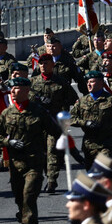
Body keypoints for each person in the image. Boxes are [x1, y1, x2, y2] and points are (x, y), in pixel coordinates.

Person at [0, 77, 63, 224]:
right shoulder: (7, 113)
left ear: (26, 91)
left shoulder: (39, 112)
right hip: (15, 167)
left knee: (29, 199)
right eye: (12, 89)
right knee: (21, 203)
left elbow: (55, 132)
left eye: (17, 88)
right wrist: (9, 142)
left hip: (34, 164)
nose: (13, 92)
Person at [29, 53, 76, 193]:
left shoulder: (61, 82)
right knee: (41, 153)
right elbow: (27, 99)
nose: (43, 66)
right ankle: (46, 175)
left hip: (54, 123)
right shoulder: (33, 82)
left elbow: (73, 99)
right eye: (41, 63)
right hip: (38, 123)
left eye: (46, 63)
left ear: (52, 65)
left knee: (52, 152)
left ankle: (51, 180)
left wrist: (60, 107)